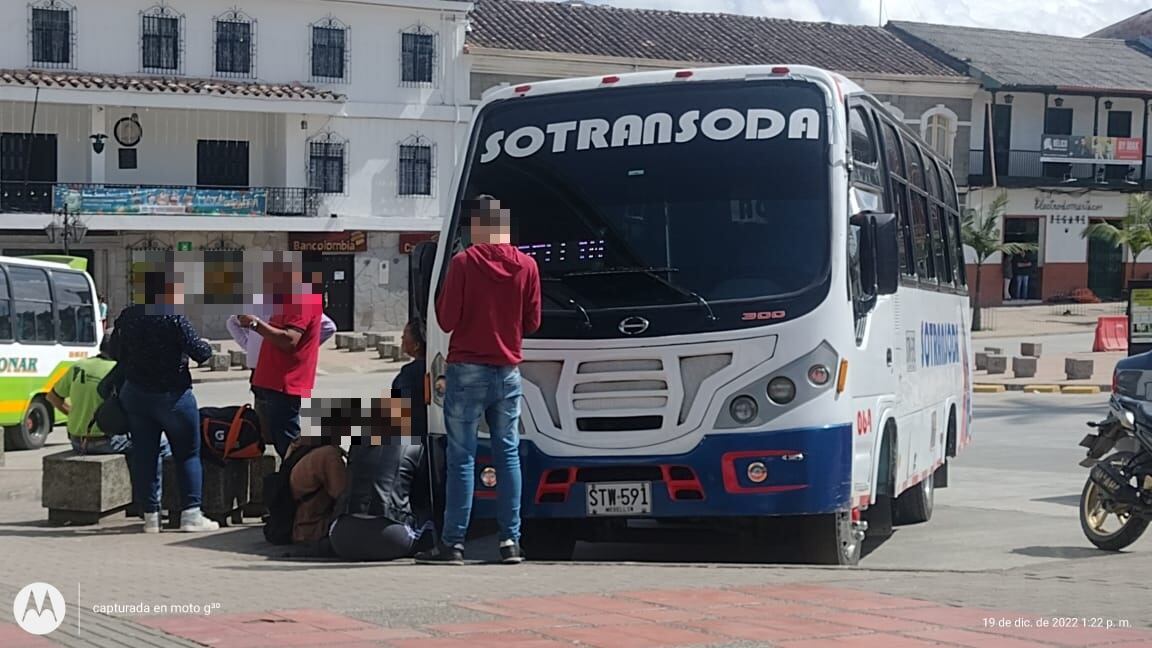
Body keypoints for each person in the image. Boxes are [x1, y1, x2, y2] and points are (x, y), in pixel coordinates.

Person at [416, 195, 541, 565]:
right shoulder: (527, 266)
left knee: (463, 457)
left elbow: (446, 319)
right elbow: (532, 322)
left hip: (467, 369)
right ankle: (510, 543)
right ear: (502, 226)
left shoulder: (463, 263)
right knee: (507, 455)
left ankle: (453, 543)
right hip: (507, 372)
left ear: (475, 227)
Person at [109, 268, 216, 533]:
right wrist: (206, 346)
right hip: (173, 396)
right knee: (188, 453)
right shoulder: (174, 318)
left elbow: (114, 352)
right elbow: (201, 353)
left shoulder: (128, 316)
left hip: (136, 395)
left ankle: (150, 517)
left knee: (145, 454)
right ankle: (191, 514)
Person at [45, 337, 171, 514]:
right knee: (159, 445)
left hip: (77, 440)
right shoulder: (121, 371)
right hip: (106, 441)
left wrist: (74, 414)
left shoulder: (79, 366)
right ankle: (151, 505)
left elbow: (52, 397)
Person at [327, 397, 433, 561]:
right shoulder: (413, 447)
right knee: (427, 519)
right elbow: (422, 493)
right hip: (390, 536)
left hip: (341, 538)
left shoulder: (357, 446)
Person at [241, 255, 325, 459]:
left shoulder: (303, 299)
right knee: (272, 441)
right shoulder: (287, 301)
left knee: (287, 443)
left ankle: (296, 482)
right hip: (271, 382)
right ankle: (286, 480)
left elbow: (289, 340)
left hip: (285, 383)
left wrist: (255, 324)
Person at [227, 298, 337, 377]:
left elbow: (328, 327)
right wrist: (249, 345)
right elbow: (233, 322)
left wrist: (302, 350)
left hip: (280, 371)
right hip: (258, 370)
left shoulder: (296, 300)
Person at [286, 435, 347, 547]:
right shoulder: (329, 455)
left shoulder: (300, 447)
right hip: (315, 529)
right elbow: (342, 495)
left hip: (299, 528)